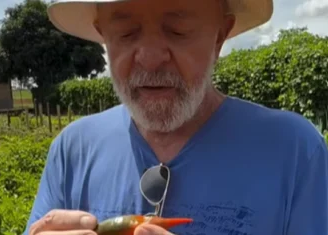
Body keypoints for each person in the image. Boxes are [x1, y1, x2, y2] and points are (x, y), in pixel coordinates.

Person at [24, 0, 328, 234]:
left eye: (178, 31)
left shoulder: (294, 152)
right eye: (126, 33)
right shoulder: (73, 150)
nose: (150, 57)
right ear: (104, 36)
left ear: (219, 37)